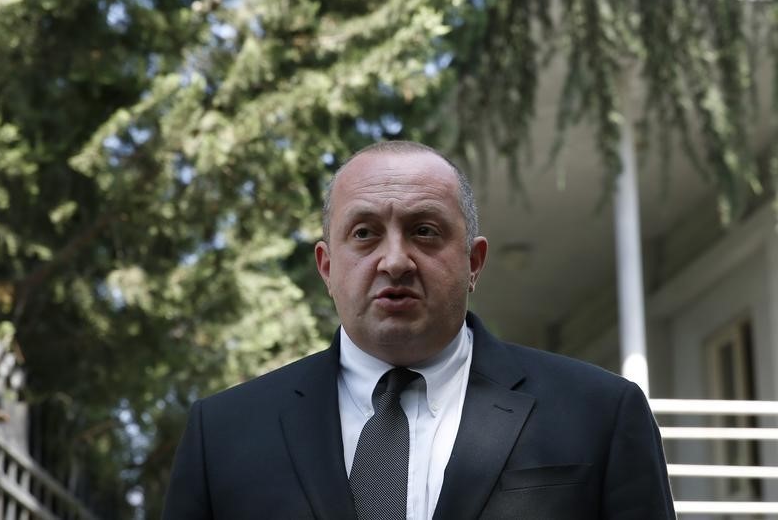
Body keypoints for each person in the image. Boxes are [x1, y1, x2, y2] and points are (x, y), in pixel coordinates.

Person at [163, 141, 675, 519]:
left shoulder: (601, 416)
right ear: (327, 268)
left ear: (474, 261)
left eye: (424, 231)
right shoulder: (223, 436)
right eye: (364, 234)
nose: (395, 260)